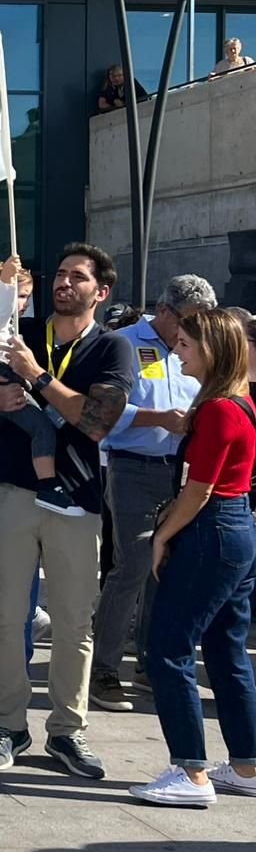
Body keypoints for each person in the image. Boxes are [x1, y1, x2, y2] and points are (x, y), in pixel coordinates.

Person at [0, 243, 133, 780]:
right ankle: (8, 724)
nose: (64, 283)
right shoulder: (19, 329)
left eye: (77, 277)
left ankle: (67, 730)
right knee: (4, 618)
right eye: (59, 274)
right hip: (9, 492)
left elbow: (96, 420)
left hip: (75, 500)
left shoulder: (112, 349)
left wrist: (36, 376)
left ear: (100, 292)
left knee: (75, 622)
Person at [131, 308, 256, 806]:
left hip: (214, 530)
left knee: (168, 647)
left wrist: (162, 536)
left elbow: (199, 490)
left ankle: (191, 771)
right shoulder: (241, 404)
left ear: (210, 350)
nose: (177, 351)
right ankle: (244, 765)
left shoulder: (221, 409)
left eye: (184, 344)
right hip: (235, 528)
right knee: (226, 648)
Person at [92, 274, 217, 714]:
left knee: (164, 566)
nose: (195, 330)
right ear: (164, 311)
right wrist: (157, 418)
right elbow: (102, 410)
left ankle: (148, 660)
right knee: (134, 563)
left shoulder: (199, 349)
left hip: (180, 471)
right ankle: (104, 668)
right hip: (132, 466)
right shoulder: (122, 343)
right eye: (188, 320)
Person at [0, 257, 72, 512]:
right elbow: (2, 308)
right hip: (10, 389)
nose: (26, 303)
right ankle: (49, 487)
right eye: (22, 296)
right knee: (42, 429)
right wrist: (8, 277)